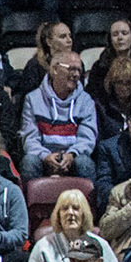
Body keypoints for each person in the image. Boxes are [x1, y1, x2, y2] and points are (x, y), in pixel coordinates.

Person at [19, 52, 97, 180]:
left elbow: (87, 138)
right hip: (43, 159)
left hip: (73, 158)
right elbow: (30, 138)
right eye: (71, 69)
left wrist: (71, 155)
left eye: (79, 70)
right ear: (55, 69)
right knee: (29, 161)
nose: (76, 74)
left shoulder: (86, 101)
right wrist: (45, 156)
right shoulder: (33, 99)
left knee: (85, 163)